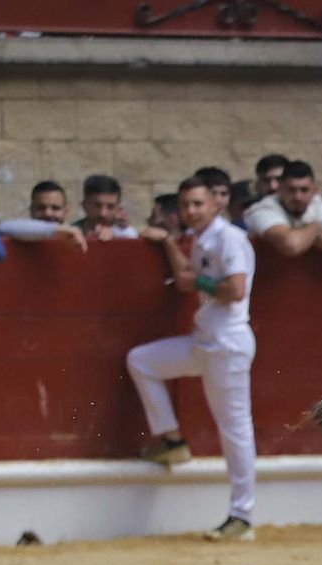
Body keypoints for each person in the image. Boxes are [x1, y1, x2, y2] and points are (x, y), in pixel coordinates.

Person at [124, 175, 258, 542]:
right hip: (206, 342)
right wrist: (168, 240)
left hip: (227, 344)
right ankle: (173, 443)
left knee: (235, 430)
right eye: (185, 205)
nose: (191, 211)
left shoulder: (229, 237)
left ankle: (242, 516)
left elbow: (235, 288)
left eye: (197, 204)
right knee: (142, 361)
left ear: (216, 203)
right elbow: (189, 274)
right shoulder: (204, 238)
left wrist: (198, 285)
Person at [242, 160, 322, 258]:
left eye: (304, 190)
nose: (298, 197)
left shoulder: (316, 204)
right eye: (291, 190)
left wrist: (307, 234)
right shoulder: (262, 209)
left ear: (314, 190)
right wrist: (314, 228)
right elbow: (291, 245)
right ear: (280, 189)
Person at [74, 175, 139, 240]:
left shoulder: (130, 236)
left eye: (110, 207)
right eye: (97, 206)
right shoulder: (68, 235)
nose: (103, 214)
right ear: (84, 205)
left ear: (119, 208)